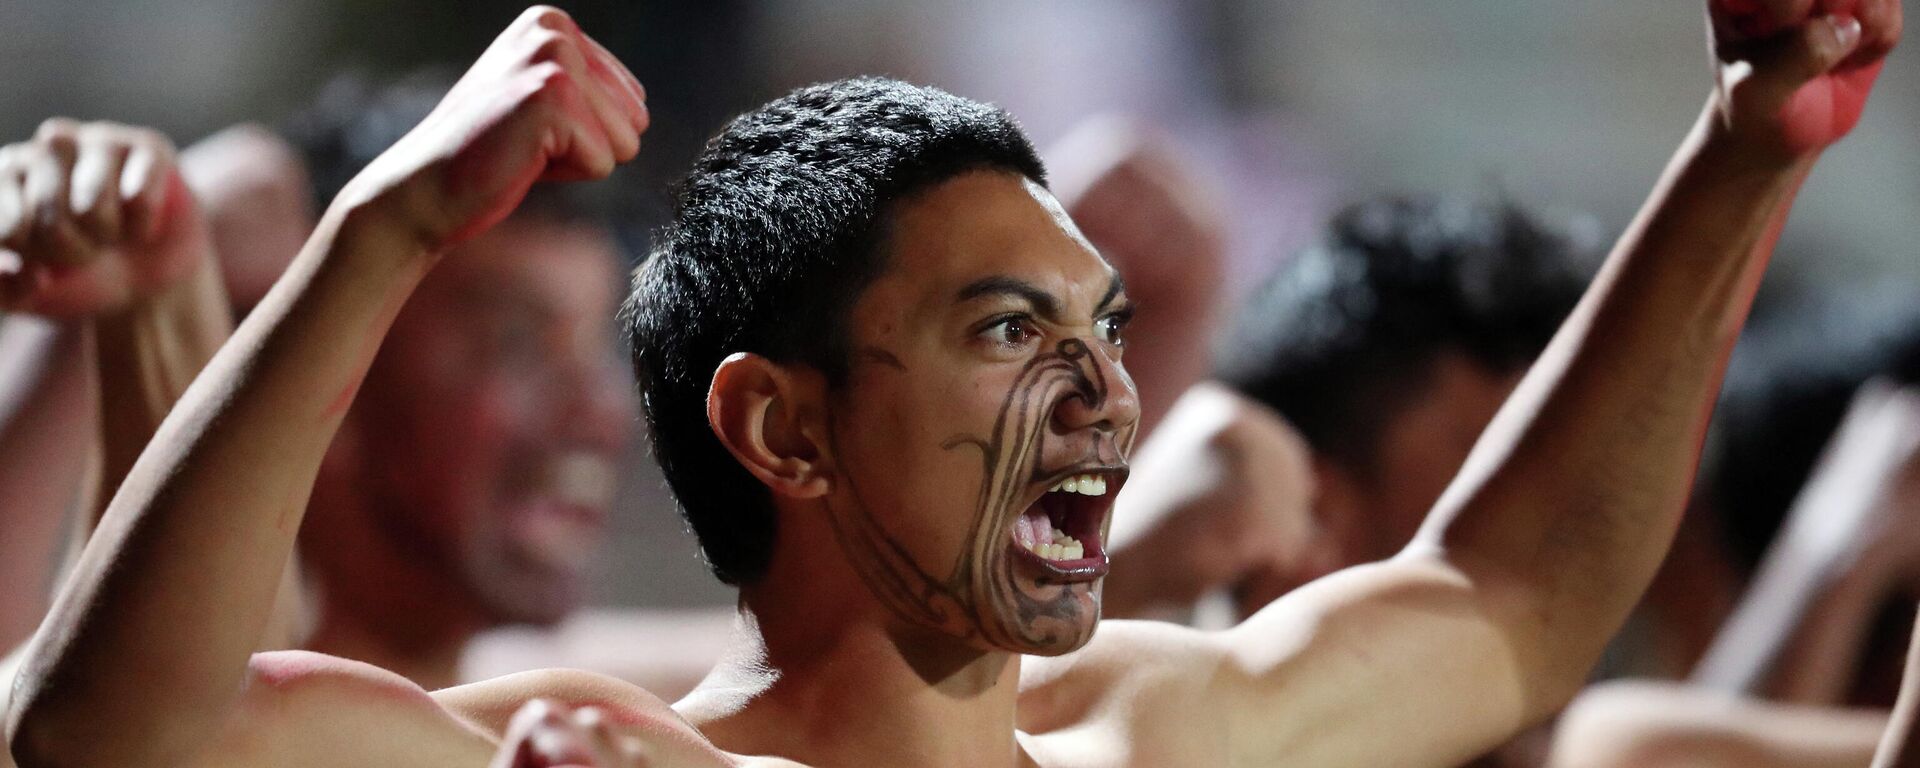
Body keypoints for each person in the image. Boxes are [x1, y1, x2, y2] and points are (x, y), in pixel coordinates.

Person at [7, 4, 1902, 768]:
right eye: (1011, 331)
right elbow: (111, 740)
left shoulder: (1161, 739)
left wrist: (1749, 142)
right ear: (783, 427)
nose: (1097, 390)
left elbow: (1519, 590)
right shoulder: (581, 767)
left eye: (1103, 331)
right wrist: (381, 233)